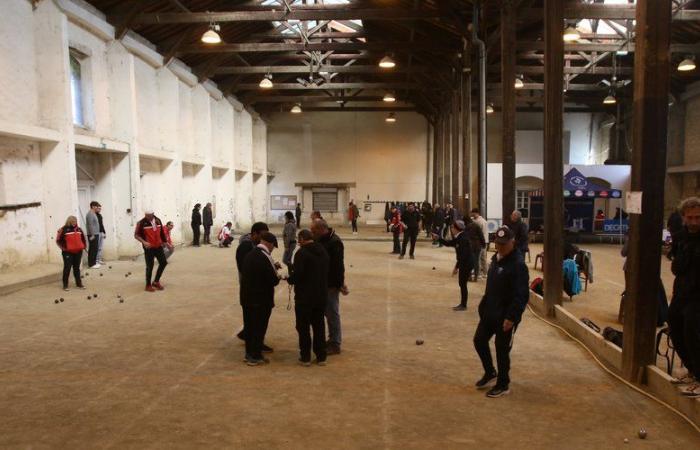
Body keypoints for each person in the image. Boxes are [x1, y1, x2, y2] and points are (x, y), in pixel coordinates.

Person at [473, 226, 529, 398]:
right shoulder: (496, 258)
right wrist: (483, 306)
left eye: (504, 244)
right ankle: (490, 372)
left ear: (513, 242)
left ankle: (503, 384)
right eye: (498, 244)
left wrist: (512, 318)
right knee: (479, 341)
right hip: (490, 311)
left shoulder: (518, 265)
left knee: (502, 349)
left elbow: (522, 295)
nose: (501, 247)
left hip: (506, 316)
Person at [668, 197, 700, 398]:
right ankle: (691, 370)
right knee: (675, 325)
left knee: (692, 329)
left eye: (698, 217)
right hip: (682, 291)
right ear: (684, 218)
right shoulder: (680, 237)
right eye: (691, 217)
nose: (695, 222)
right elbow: (676, 267)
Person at [288, 229, 329, 366]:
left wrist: (289, 278)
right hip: (321, 295)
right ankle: (321, 356)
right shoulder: (322, 250)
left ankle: (305, 357)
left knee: (303, 327)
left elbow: (298, 275)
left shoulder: (301, 253)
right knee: (319, 326)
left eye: (299, 240)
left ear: (302, 239)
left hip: (304, 297)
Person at [240, 231, 281, 366]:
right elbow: (273, 280)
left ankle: (248, 354)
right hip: (260, 300)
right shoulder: (264, 257)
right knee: (259, 328)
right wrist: (278, 276)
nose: (273, 249)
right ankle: (255, 356)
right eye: (273, 246)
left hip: (247, 298)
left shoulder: (251, 254)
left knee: (250, 327)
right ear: (268, 244)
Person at [235, 222, 274, 353]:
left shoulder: (255, 246)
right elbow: (245, 268)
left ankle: (255, 342)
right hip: (251, 288)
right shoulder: (246, 247)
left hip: (257, 287)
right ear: (255, 234)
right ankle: (253, 349)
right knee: (254, 319)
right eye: (262, 236)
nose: (264, 239)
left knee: (256, 320)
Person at [311, 219, 348, 355]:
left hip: (331, 285)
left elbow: (338, 266)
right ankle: (331, 339)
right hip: (321, 283)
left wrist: (339, 284)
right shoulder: (320, 239)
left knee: (332, 313)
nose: (312, 233)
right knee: (325, 313)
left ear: (322, 229)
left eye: (314, 231)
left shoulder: (335, 242)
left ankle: (335, 343)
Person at [434, 220, 474, 311]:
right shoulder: (460, 236)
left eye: (452, 227)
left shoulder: (463, 238)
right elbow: (449, 243)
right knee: (462, 283)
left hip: (466, 263)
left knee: (462, 283)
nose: (451, 229)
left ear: (456, 229)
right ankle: (463, 304)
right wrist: (439, 238)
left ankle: (463, 305)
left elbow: (462, 256)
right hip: (465, 262)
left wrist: (456, 267)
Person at [134, 210, 172, 292]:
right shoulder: (141, 223)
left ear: (153, 214)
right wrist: (144, 242)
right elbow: (136, 235)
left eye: (149, 215)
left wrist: (166, 243)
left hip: (158, 246)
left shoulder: (158, 220)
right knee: (150, 266)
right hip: (149, 248)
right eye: (146, 215)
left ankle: (156, 281)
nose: (147, 217)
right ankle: (148, 285)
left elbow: (161, 233)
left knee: (163, 262)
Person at [55, 216, 87, 291]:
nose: (74, 223)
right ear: (69, 221)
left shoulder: (79, 229)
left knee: (77, 268)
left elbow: (83, 239)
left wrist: (83, 246)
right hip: (67, 253)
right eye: (72, 221)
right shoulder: (63, 230)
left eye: (75, 221)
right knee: (67, 268)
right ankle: (65, 285)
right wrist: (64, 249)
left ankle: (79, 284)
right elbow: (58, 240)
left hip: (78, 252)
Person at [464, 216, 486, 280]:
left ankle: (470, 276)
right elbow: (481, 235)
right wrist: (483, 244)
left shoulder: (466, 227)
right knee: (476, 261)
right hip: (478, 245)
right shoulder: (476, 226)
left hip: (470, 246)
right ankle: (476, 277)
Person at [470, 208, 489, 279]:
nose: (471, 214)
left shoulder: (481, 222)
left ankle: (480, 273)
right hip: (482, 241)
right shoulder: (476, 220)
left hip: (481, 242)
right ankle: (484, 272)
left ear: (476, 213)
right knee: (482, 258)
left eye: (472, 213)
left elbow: (483, 233)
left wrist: (482, 242)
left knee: (479, 258)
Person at [85, 201, 101, 269]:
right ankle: (91, 264)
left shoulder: (93, 213)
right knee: (92, 249)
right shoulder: (90, 214)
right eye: (96, 206)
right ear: (93, 206)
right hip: (93, 234)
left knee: (95, 248)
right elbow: (90, 225)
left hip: (96, 233)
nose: (97, 207)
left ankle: (93, 262)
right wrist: (92, 234)